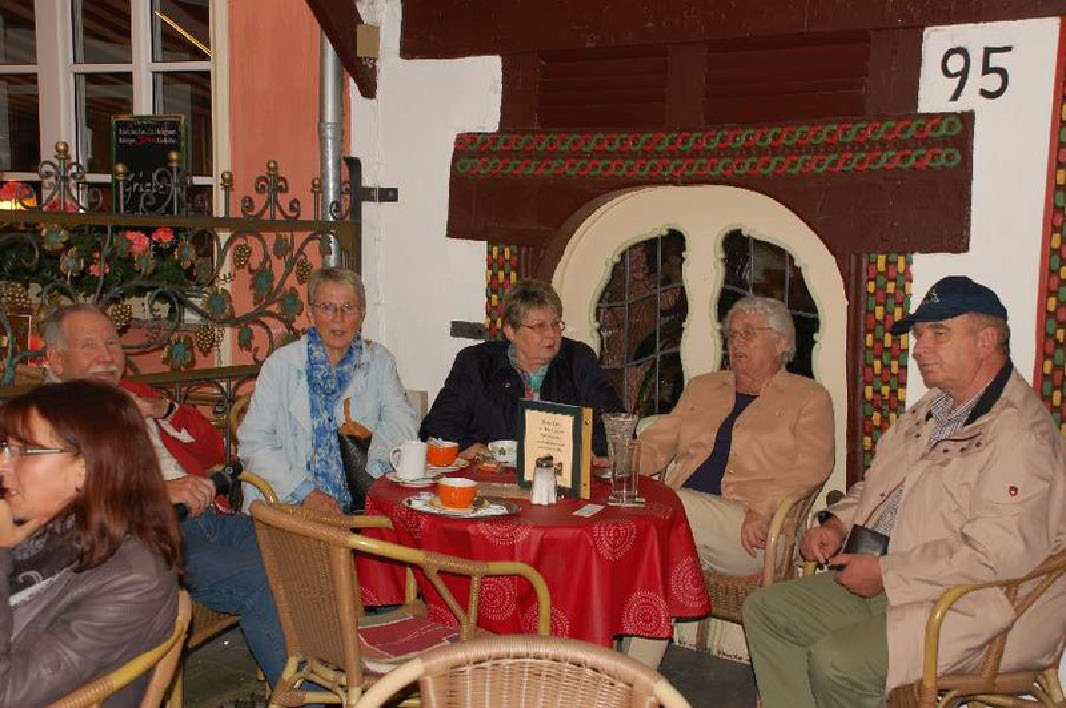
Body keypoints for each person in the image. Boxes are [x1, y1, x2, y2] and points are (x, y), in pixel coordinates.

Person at [743, 276, 1066, 708]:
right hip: (895, 579)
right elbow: (881, 484)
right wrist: (838, 524)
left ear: (986, 341)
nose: (919, 348)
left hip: (972, 607)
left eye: (938, 333)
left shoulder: (1021, 435)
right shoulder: (934, 408)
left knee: (837, 662)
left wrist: (887, 573)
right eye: (918, 334)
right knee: (766, 612)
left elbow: (996, 555)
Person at [42, 304, 287, 686]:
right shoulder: (45, 423)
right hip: (152, 541)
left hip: (210, 517)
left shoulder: (130, 394)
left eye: (113, 343)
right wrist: (158, 494)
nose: (107, 357)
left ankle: (336, 672)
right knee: (263, 578)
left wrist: (163, 408)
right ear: (56, 359)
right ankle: (302, 695)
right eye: (89, 346)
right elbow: (70, 508)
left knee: (304, 552)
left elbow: (213, 450)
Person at [626, 295, 834, 666]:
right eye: (732, 334)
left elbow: (812, 466)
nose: (736, 342)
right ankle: (630, 680)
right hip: (683, 524)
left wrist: (764, 508)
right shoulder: (704, 387)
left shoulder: (809, 398)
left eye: (748, 334)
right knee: (650, 550)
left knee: (664, 509)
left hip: (754, 533)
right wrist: (616, 466)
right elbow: (659, 440)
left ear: (781, 342)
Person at [0, 380, 181, 707]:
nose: (3, 465)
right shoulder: (34, 534)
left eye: (24, 450)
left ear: (85, 469)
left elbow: (9, 694)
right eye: (5, 448)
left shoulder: (134, 580)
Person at [238, 267, 418, 513]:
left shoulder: (380, 361)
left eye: (348, 308)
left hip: (358, 505)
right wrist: (305, 492)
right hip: (286, 506)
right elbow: (254, 443)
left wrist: (373, 469)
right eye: (327, 307)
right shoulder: (280, 365)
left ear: (362, 314)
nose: (338, 318)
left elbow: (403, 423)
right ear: (310, 313)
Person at [420, 279, 625, 457]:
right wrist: (473, 448)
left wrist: (584, 451)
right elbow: (438, 428)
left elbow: (615, 424)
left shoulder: (578, 359)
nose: (551, 334)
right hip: (494, 478)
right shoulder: (476, 363)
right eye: (539, 326)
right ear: (511, 332)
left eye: (555, 324)